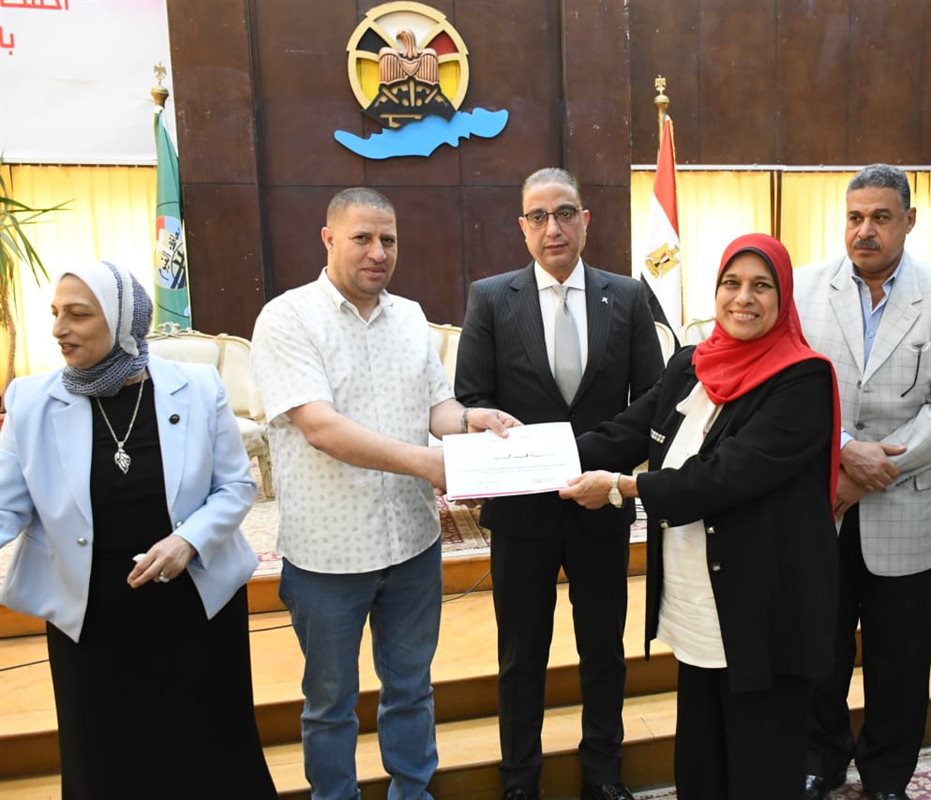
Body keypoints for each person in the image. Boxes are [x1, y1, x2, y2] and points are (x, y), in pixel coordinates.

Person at [250, 187, 514, 800]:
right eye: (362, 238)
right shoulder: (287, 318)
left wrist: (470, 421)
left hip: (412, 546)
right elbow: (320, 428)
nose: (378, 252)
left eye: (388, 240)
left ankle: (412, 792)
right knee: (329, 702)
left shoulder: (412, 317)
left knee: (411, 690)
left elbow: (436, 407)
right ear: (328, 239)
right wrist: (430, 464)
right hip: (328, 555)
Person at [560, 233, 842, 800]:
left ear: (784, 296)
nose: (743, 298)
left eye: (761, 286)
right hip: (697, 598)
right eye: (731, 283)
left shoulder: (802, 379)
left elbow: (722, 477)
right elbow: (624, 433)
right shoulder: (691, 364)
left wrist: (621, 488)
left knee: (760, 770)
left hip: (763, 608)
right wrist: (524, 460)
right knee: (701, 761)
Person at [0, 262, 277, 798]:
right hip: (91, 615)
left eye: (78, 315)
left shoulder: (197, 388)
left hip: (193, 605)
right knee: (104, 755)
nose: (58, 329)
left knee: (208, 750)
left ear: (124, 322)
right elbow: (5, 506)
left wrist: (187, 541)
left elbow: (234, 487)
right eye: (55, 314)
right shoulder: (30, 401)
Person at [454, 167, 664, 800]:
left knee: (603, 650)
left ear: (586, 221)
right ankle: (520, 780)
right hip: (522, 513)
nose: (554, 228)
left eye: (566, 213)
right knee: (522, 655)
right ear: (523, 227)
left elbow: (653, 401)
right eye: (539, 216)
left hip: (600, 503)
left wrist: (583, 459)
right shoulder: (491, 298)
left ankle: (603, 773)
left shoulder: (627, 296)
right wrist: (530, 460)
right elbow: (473, 399)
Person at [794, 164, 931, 800]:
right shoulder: (802, 290)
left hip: (905, 505)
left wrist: (877, 471)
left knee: (899, 659)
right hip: (821, 502)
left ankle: (886, 777)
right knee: (820, 650)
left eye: (880, 217)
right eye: (854, 217)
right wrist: (845, 451)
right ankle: (821, 758)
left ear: (909, 220)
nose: (865, 230)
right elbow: (792, 389)